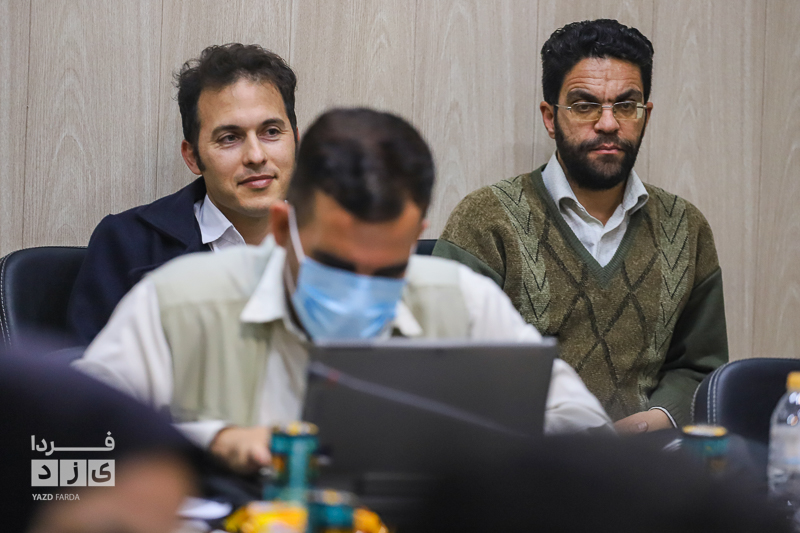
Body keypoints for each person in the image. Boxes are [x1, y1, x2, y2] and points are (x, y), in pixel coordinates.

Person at [74, 108, 612, 474]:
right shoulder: (181, 304)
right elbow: (60, 459)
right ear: (283, 229)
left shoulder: (461, 301)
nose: (359, 290)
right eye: (334, 264)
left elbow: (587, 431)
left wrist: (480, 451)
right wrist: (210, 440)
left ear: (415, 235)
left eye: (387, 270)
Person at [432, 19, 727, 433]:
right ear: (550, 117)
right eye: (585, 105)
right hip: (519, 459)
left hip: (645, 460)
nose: (608, 123)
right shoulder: (485, 220)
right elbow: (441, 369)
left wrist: (640, 428)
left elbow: (699, 369)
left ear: (645, 115)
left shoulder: (686, 228)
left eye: (626, 105)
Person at [66, 43, 298, 345]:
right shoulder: (127, 243)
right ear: (192, 157)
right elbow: (87, 368)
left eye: (271, 132)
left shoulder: (344, 243)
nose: (256, 156)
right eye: (230, 138)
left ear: (296, 140)